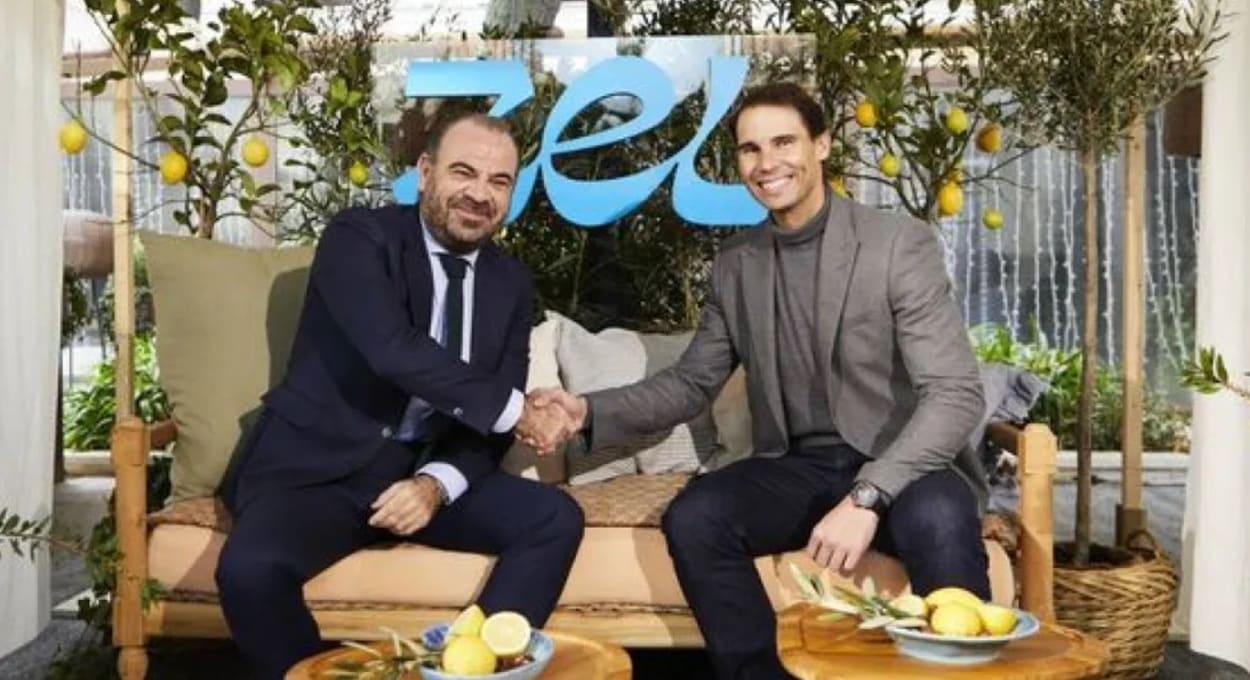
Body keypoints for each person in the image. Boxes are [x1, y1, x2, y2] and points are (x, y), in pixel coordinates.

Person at [526, 82, 990, 679]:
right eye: (750, 149)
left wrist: (868, 496)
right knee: (696, 517)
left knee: (941, 519)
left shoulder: (897, 244)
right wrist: (585, 410)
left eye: (783, 142)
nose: (767, 162)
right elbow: (691, 382)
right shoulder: (736, 264)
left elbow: (955, 393)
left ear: (822, 145)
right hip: (796, 465)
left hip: (900, 462)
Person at [215, 106, 583, 679]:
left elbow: (488, 412)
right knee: (248, 570)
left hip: (421, 468)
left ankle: (469, 670)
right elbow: (392, 349)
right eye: (463, 172)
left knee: (553, 518)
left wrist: (435, 486)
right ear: (425, 172)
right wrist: (520, 413)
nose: (480, 194)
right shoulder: (358, 237)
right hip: (322, 470)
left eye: (499, 181)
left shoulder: (509, 281)